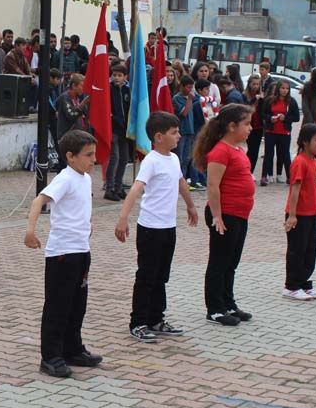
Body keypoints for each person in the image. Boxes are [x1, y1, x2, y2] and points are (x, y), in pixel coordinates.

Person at [24, 129, 104, 378]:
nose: (93, 160)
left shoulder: (85, 178)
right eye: (88, 155)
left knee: (77, 304)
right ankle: (51, 356)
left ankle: (72, 349)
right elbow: (38, 201)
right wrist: (30, 232)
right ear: (70, 156)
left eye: (94, 154)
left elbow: (80, 206)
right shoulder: (65, 178)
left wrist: (87, 223)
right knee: (58, 306)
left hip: (81, 250)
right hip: (62, 254)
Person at [114, 112, 198, 342]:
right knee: (147, 276)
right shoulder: (150, 161)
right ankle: (138, 322)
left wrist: (190, 205)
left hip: (168, 227)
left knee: (161, 276)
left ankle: (156, 318)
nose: (179, 136)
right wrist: (123, 218)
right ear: (159, 137)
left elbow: (181, 182)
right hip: (150, 228)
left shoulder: (174, 159)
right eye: (174, 132)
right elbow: (136, 188)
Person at [193, 104, 256, 326]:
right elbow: (213, 185)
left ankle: (228, 303)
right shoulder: (220, 151)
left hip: (240, 214)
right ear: (231, 126)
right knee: (219, 263)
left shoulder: (238, 149)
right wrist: (217, 216)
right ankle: (215, 309)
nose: (250, 128)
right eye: (246, 124)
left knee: (231, 262)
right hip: (225, 215)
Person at [283, 123, 316, 301]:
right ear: (305, 142)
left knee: (310, 250)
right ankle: (291, 286)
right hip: (299, 214)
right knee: (297, 250)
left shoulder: (314, 161)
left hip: (312, 213)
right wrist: (292, 215)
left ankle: (304, 283)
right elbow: (295, 189)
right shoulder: (300, 162)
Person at [259, 79, 300, 186]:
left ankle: (289, 177)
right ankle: (264, 176)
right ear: (278, 88)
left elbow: (296, 117)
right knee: (269, 154)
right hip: (271, 131)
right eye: (282, 88)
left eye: (287, 88)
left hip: (284, 132)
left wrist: (285, 118)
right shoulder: (269, 100)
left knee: (285, 154)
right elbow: (262, 114)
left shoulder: (291, 101)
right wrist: (270, 118)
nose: (284, 90)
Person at [104, 64, 132, 201]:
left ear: (125, 77)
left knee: (124, 158)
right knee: (114, 157)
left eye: (119, 75)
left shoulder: (128, 90)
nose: (116, 78)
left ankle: (118, 186)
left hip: (125, 130)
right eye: (114, 75)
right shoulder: (109, 89)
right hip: (113, 128)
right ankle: (109, 189)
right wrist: (114, 118)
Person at [242, 74, 265, 173]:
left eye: (257, 84)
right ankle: (245, 169)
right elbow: (244, 107)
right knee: (249, 149)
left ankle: (251, 172)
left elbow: (264, 110)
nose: (255, 86)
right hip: (248, 125)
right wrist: (255, 99)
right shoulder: (244, 95)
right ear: (249, 84)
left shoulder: (261, 95)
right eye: (253, 84)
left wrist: (262, 99)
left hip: (258, 126)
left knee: (255, 151)